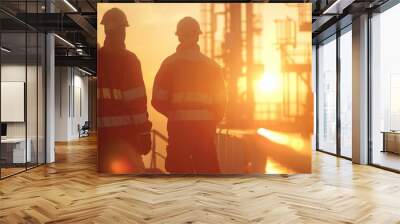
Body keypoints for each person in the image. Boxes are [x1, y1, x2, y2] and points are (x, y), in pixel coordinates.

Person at [152, 17, 226, 174]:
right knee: (209, 177)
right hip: (204, 132)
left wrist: (175, 113)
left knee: (180, 178)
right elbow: (221, 104)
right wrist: (209, 119)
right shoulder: (212, 67)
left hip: (179, 132)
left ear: (178, 36)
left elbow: (157, 100)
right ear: (197, 36)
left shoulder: (169, 64)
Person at [97, 8, 152, 173]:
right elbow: (137, 103)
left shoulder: (98, 60)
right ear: (122, 30)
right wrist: (144, 133)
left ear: (106, 30)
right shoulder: (129, 61)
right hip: (124, 140)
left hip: (100, 140)